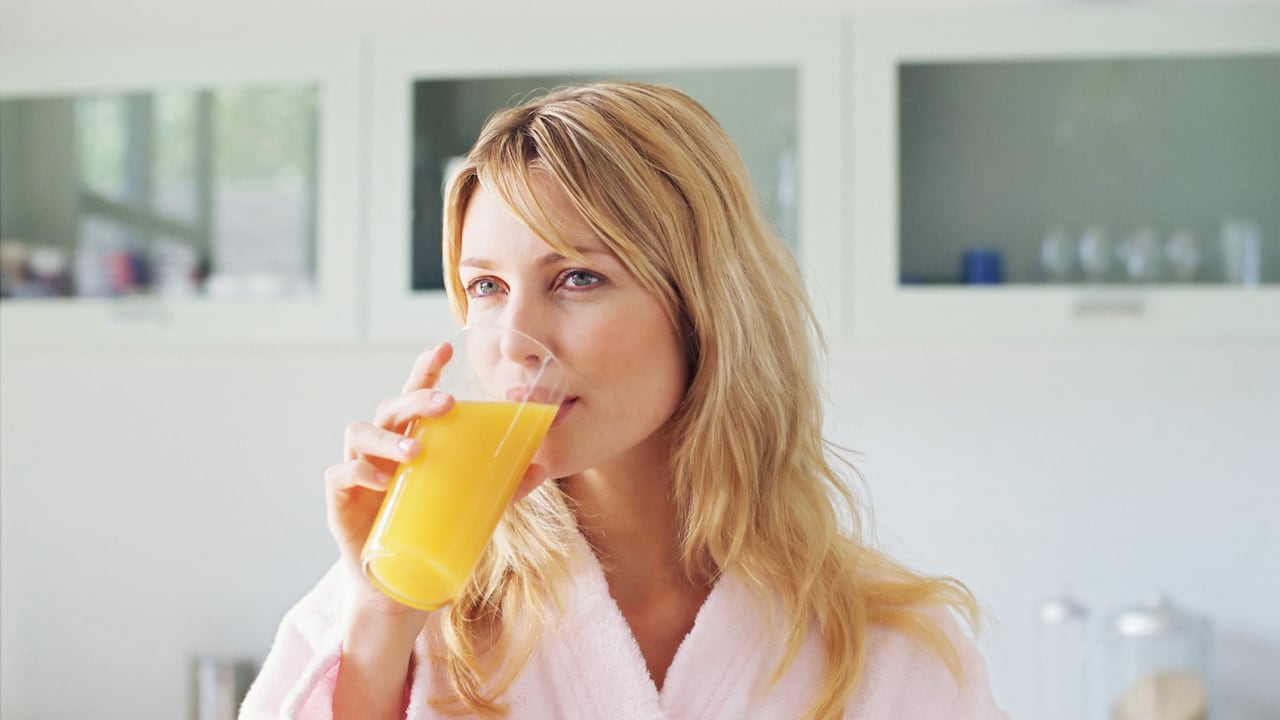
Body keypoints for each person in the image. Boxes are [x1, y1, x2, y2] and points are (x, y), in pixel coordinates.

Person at [241, 81, 1006, 720]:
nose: (514, 340)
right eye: (486, 287)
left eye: (577, 278)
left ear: (704, 306)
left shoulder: (892, 650)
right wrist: (382, 621)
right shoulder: (397, 606)